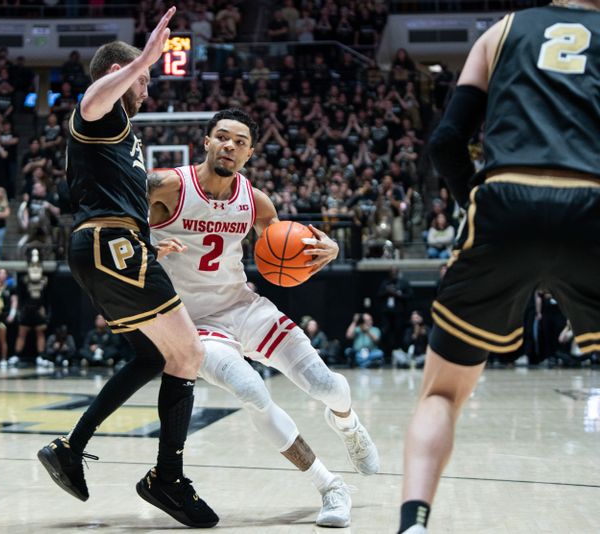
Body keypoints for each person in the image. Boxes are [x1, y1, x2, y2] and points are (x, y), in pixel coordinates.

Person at [400, 3, 600, 532]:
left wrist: (476, 205)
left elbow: (445, 141)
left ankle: (413, 522)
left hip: (503, 201)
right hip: (591, 201)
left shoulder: (500, 30)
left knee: (442, 391)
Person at [149, 109, 379, 527]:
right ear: (206, 142)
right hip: (196, 324)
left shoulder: (254, 200)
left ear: (250, 153)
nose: (229, 146)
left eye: (239, 142)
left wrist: (326, 248)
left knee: (326, 385)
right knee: (251, 391)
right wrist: (146, 248)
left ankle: (348, 424)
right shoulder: (167, 185)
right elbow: (115, 220)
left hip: (244, 307)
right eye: (222, 137)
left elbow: (286, 247)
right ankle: (330, 486)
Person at [36, 9, 218, 528]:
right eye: (144, 79)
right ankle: (168, 480)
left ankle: (72, 447)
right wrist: (140, 58)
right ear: (121, 74)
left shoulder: (127, 138)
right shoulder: (101, 111)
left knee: (152, 356)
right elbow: (92, 97)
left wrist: (147, 242)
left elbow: (110, 196)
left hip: (114, 245)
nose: (148, 86)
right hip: (106, 244)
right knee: (190, 353)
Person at [11, 249, 48, 368]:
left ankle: (41, 356)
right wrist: (20, 309)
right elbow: (20, 295)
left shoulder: (45, 279)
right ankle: (16, 355)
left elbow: (47, 295)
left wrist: (45, 308)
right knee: (21, 333)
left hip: (38, 309)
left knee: (40, 333)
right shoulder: (24, 279)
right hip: (27, 309)